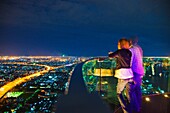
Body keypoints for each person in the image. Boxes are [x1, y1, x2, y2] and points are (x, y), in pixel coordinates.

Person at [108, 38, 134, 113]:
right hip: (130, 75)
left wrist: (110, 53)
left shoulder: (119, 52)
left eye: (118, 44)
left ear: (120, 45)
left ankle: (126, 111)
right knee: (129, 94)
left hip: (123, 75)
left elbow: (111, 56)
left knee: (119, 93)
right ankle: (131, 109)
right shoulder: (129, 52)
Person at [129, 36, 144, 113]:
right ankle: (139, 107)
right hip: (140, 71)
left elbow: (130, 62)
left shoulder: (131, 50)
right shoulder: (139, 48)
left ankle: (135, 108)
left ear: (130, 41)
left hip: (135, 72)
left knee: (131, 91)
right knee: (138, 90)